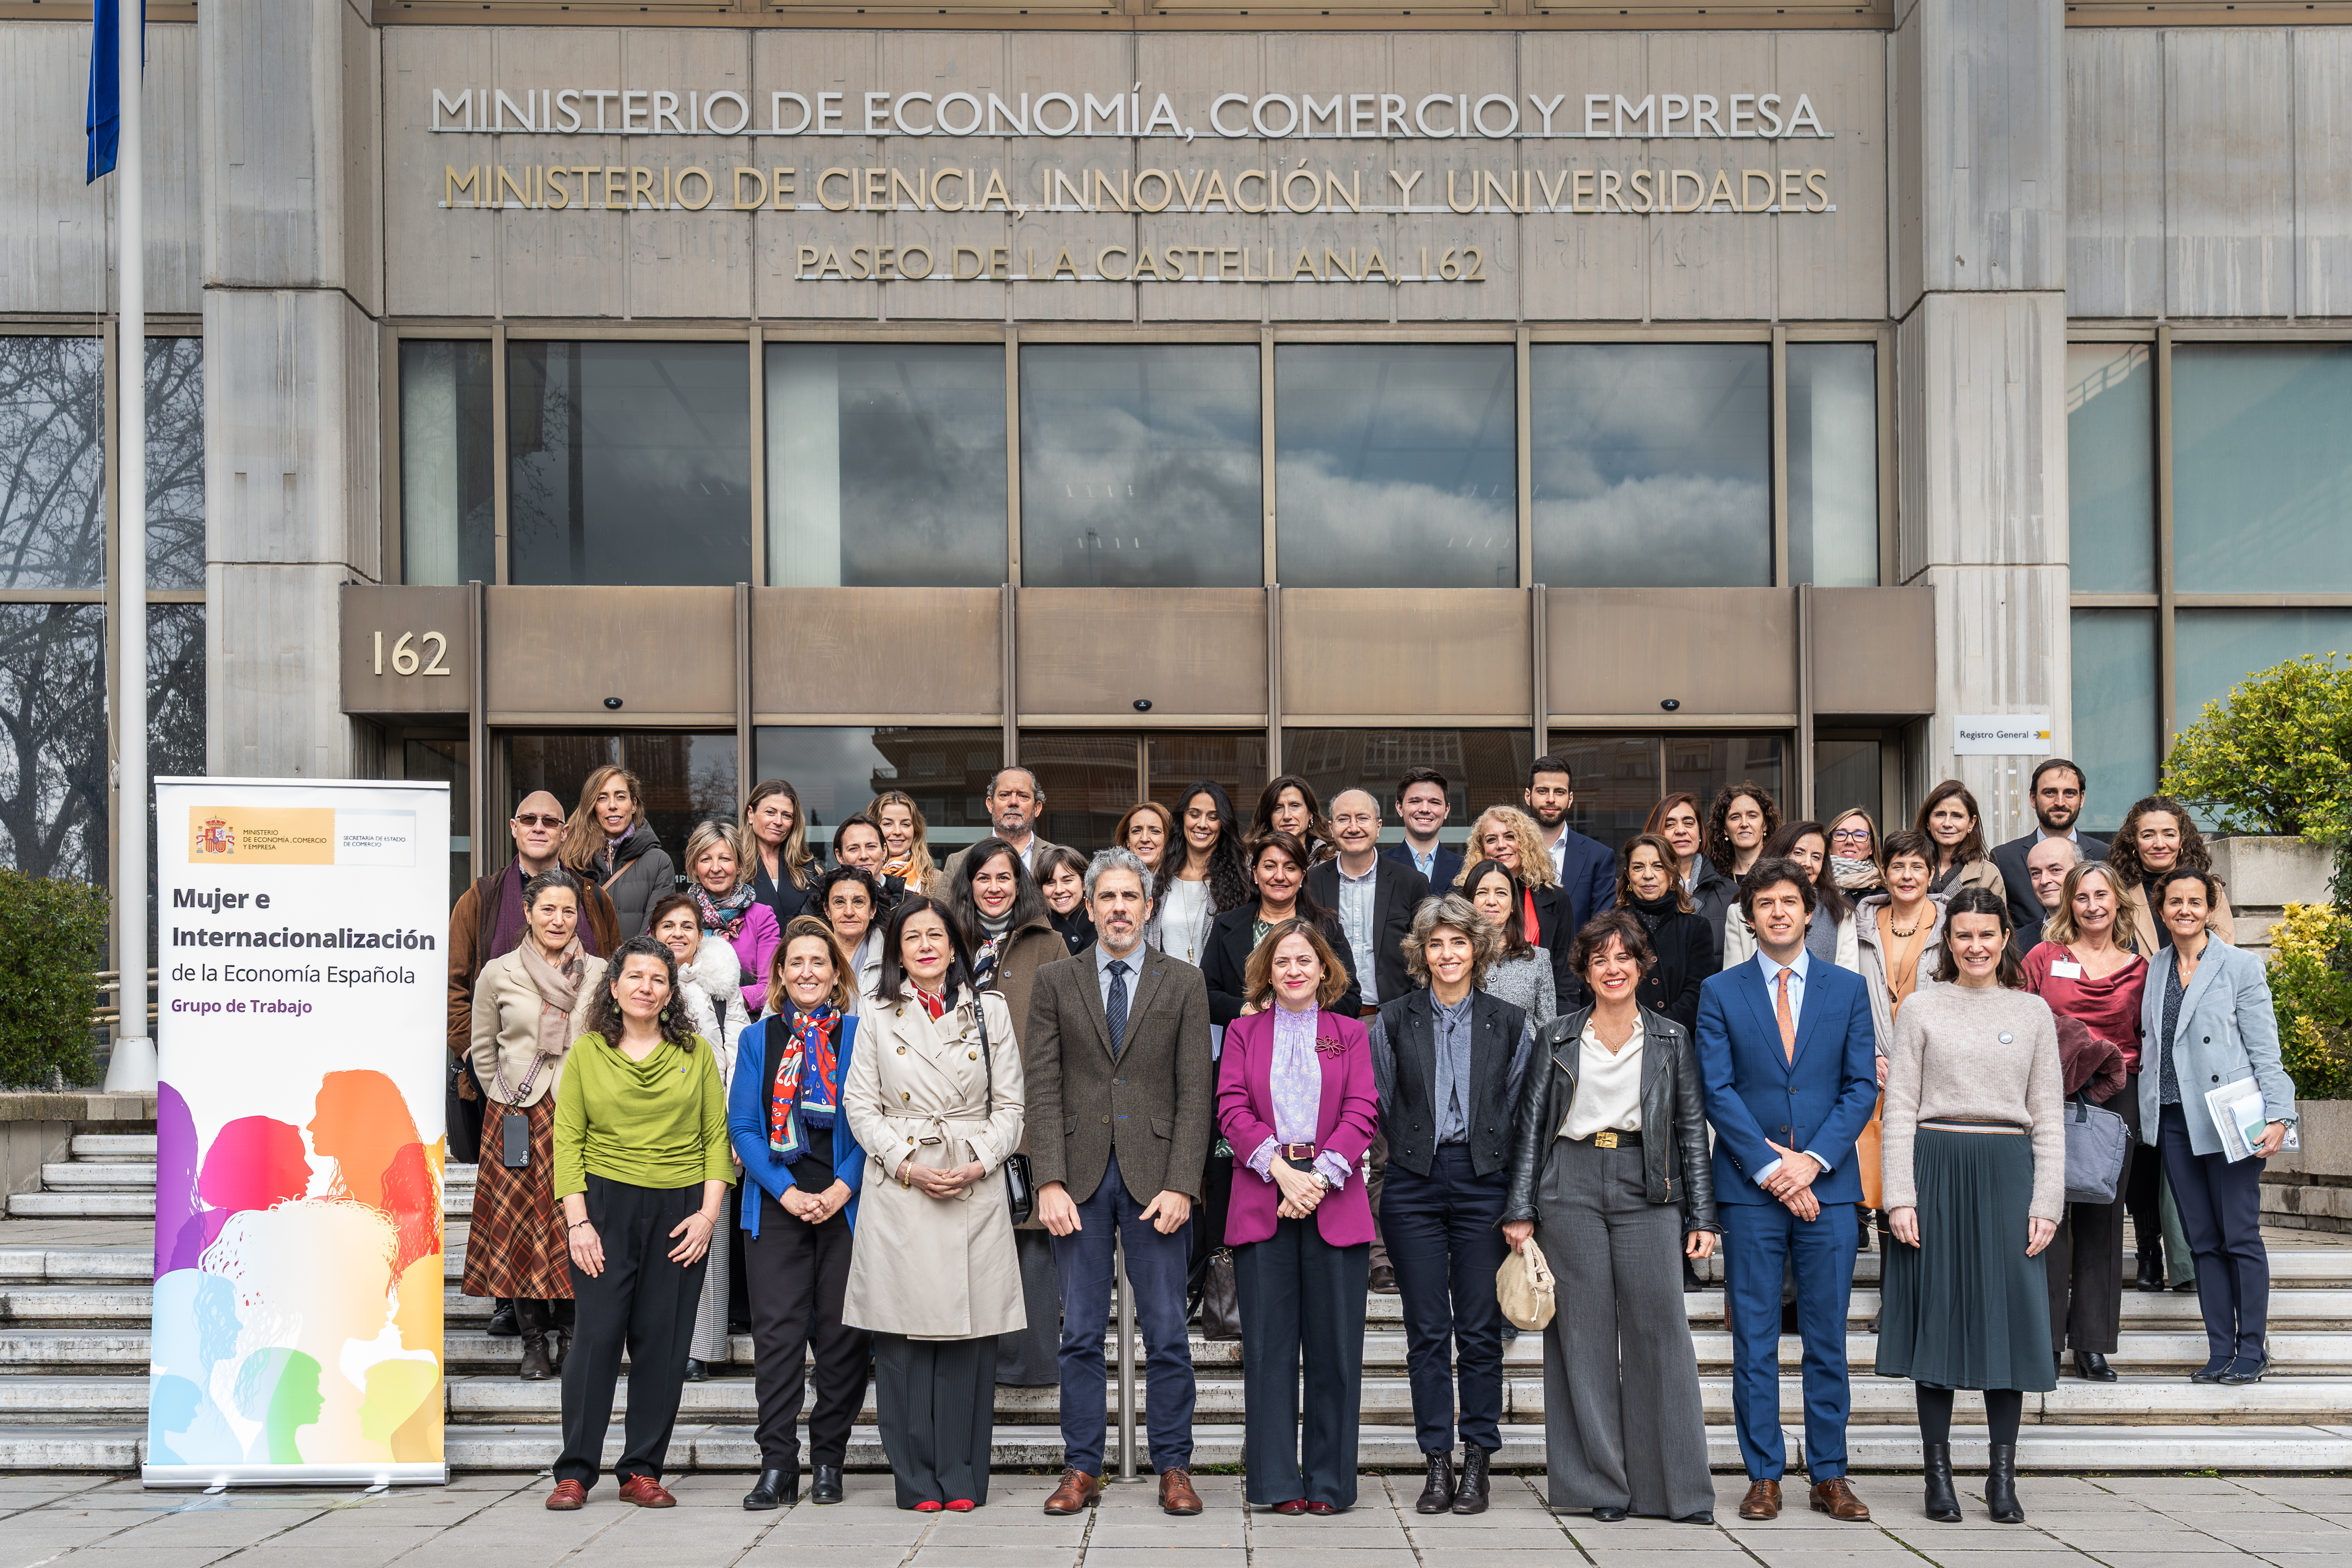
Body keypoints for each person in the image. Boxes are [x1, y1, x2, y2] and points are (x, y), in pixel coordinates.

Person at [1502, 909, 1718, 1525]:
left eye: (1624, 957)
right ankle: (1600, 1485)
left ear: (1641, 964)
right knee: (1582, 1338)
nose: (1613, 968)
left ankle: (1678, 1493)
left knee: (1661, 1334)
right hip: (1568, 1183)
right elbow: (1531, 1129)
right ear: (1585, 970)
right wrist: (1520, 1208)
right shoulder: (1559, 1036)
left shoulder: (1673, 1037)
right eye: (1600, 959)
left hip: (1647, 1186)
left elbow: (1690, 1133)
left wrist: (1701, 1213)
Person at [1020, 847, 1216, 1517]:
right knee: (1078, 1332)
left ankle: (1174, 1466)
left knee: (1166, 1331)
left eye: (1129, 897)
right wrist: (1045, 1177)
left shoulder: (1183, 982)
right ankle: (1081, 1466)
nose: (1118, 908)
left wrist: (1183, 1183)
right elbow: (1041, 1086)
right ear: (1089, 903)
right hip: (1075, 1179)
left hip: (1156, 1179)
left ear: (1148, 905)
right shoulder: (1055, 980)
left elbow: (1197, 1092)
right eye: (1106, 897)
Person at [1694, 856, 1880, 1524]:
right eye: (1764, 903)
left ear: (1809, 911)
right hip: (1750, 1192)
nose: (1777, 911)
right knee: (1756, 1338)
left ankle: (1829, 1474)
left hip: (1827, 1191)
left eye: (1788, 901)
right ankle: (1763, 1473)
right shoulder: (1720, 991)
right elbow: (1715, 1089)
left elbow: (1862, 1085)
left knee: (1827, 1337)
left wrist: (1815, 1162)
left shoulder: (1845, 990)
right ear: (1749, 916)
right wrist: (1773, 1170)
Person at [1879, 885, 2064, 1526]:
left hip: (2009, 1170)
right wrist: (1897, 1195)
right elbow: (1898, 1104)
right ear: (1947, 941)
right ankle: (1938, 1475)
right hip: (1935, 1165)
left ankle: (2001, 1476)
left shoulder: (2033, 1011)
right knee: (1938, 1317)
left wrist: (2047, 1200)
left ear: (2003, 938)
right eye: (1963, 935)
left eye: (1987, 934)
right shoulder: (1921, 1008)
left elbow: (2048, 1116)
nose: (1976, 946)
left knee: (2007, 1322)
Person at [840, 897, 1026, 1512]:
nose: (924, 945)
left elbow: (1013, 1109)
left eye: (935, 935)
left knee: (969, 1344)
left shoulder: (989, 1010)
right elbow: (860, 1107)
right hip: (902, 1187)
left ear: (955, 945)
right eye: (911, 936)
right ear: (896, 951)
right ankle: (916, 1480)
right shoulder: (875, 1012)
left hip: (973, 1178)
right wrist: (906, 1164)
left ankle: (964, 1476)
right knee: (903, 1343)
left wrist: (979, 1160)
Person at [545, 937, 735, 1512]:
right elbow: (567, 1142)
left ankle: (641, 1470)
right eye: (635, 976)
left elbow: (714, 1141)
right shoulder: (587, 1054)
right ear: (615, 985)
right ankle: (576, 1470)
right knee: (597, 1339)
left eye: (657, 978)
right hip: (604, 1210)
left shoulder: (695, 1053)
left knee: (664, 1343)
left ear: (669, 989)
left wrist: (707, 1214)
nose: (646, 987)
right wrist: (578, 1223)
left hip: (680, 1212)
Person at [1369, 893, 1536, 1517]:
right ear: (1421, 952)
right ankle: (1435, 1461)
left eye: (1458, 943)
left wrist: (1520, 1202)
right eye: (1436, 943)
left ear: (1478, 950)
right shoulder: (1391, 1019)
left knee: (1479, 1330)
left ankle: (1476, 1461)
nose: (1447, 954)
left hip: (1483, 1180)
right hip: (1413, 1181)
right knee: (1426, 1331)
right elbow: (1382, 1098)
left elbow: (1523, 1114)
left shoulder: (1510, 1022)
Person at [1216, 919, 1378, 1516]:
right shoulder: (1243, 1031)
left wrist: (1316, 1178)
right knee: (1269, 1351)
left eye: (1304, 961)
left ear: (1323, 970)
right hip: (1264, 1198)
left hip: (1333, 1197)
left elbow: (1363, 1107)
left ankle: (1331, 1484)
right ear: (1267, 970)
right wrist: (1280, 1172)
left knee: (1336, 1351)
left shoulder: (1347, 1033)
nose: (1293, 970)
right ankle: (1277, 1483)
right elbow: (1230, 1105)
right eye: (1282, 961)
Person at [730, 917, 869, 1510]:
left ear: (837, 974)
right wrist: (786, 1191)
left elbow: (876, 1121)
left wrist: (842, 1187)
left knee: (842, 1341)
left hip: (845, 1210)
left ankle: (830, 1461)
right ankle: (778, 1465)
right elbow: (742, 1128)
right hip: (777, 1208)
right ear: (780, 975)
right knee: (779, 1341)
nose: (808, 972)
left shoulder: (862, 1036)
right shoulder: (757, 1040)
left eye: (820, 962)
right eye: (797, 963)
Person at [2141, 866, 2296, 1385]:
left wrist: (2279, 1113)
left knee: (2240, 1236)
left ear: (2210, 909)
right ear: (2161, 911)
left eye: (2195, 902)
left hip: (2230, 1119)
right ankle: (2219, 1351)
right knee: (2202, 1239)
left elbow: (2264, 1048)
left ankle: (2252, 1351)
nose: (2184, 910)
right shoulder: (2155, 967)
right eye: (2174, 902)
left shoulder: (2239, 967)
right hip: (2174, 1119)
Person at [940, 837, 1070, 1390]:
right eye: (984, 878)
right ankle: (968, 1366)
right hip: (956, 1111)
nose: (994, 888)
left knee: (1029, 1238)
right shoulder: (944, 941)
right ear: (968, 886)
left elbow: (1072, 1032)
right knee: (961, 1236)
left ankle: (1030, 1366)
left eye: (1005, 878)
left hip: (1028, 1107)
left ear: (1020, 887)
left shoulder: (1051, 945)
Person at [467, 868, 604, 1381]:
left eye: (568, 910)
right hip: (516, 1114)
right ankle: (532, 1342)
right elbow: (483, 1048)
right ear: (527, 913)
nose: (558, 919)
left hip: (578, 1115)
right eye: (547, 908)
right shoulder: (499, 973)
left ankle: (571, 1334)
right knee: (518, 1229)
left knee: (573, 1223)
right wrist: (504, 1094)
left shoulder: (600, 973)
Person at [449, 792, 622, 1174]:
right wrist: (474, 1057)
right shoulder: (480, 897)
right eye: (529, 820)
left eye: (549, 821)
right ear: (514, 828)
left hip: (583, 1087)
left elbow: (616, 983)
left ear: (565, 833)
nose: (539, 827)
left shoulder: (594, 898)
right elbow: (453, 985)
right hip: (505, 1083)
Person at [2024, 858, 2153, 1313]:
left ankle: (2093, 1342)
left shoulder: (2141, 970)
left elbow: (2147, 1035)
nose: (2092, 906)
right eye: (2081, 897)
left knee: (2104, 1214)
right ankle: (2048, 1335)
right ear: (2068, 903)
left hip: (2119, 1096)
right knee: (2048, 1210)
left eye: (2101, 895)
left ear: (2117, 900)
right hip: (2051, 1092)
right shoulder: (2044, 957)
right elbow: (2023, 1021)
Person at [648, 890, 753, 1379]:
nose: (677, 935)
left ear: (701, 934)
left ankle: (701, 1347)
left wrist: (734, 1126)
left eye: (687, 926)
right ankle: (660, 1340)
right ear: (653, 934)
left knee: (708, 1237)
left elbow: (739, 1053)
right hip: (654, 1131)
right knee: (659, 1238)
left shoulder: (720, 986)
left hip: (711, 1128)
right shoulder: (642, 984)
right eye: (668, 926)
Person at [1851, 831, 1946, 1252]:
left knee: (1926, 1188)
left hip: (1935, 1070)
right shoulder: (1856, 926)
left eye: (1917, 867)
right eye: (1897, 866)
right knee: (1880, 1184)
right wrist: (1866, 1054)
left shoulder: (1952, 925)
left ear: (1931, 873)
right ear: (1883, 872)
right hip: (1873, 1069)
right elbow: (1845, 998)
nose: (1907, 876)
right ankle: (1894, 1300)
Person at [1203, 831, 1362, 1026]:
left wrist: (1305, 1013)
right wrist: (1245, 1009)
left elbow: (1351, 998)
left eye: (1290, 868)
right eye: (1270, 866)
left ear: (1303, 876)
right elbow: (1206, 995)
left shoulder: (1326, 925)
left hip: (1313, 1045)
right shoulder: (1225, 925)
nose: (1279, 876)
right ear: (1255, 873)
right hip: (1246, 1045)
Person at [1309, 788, 1430, 1019]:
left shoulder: (1411, 883)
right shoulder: (1311, 883)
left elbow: (1424, 956)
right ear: (1331, 828)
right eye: (1344, 819)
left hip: (1394, 1018)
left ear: (1379, 827)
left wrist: (1411, 1015)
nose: (1353, 828)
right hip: (1326, 1017)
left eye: (1363, 818)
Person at [1455, 806, 1576, 1005]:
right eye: (1491, 839)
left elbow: (1564, 977)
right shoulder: (1463, 898)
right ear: (1481, 849)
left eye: (1510, 836)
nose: (1501, 845)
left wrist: (1563, 1032)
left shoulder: (1556, 899)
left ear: (1526, 843)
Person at [1991, 759, 2112, 932]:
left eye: (2070, 793)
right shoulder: (2004, 858)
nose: (2060, 802)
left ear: (2082, 799)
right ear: (2033, 798)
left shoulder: (2106, 855)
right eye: (2050, 793)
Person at [1724, 821, 1861, 973]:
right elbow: (1734, 980)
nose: (1807, 863)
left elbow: (1846, 984)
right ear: (1780, 853)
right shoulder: (1740, 912)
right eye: (1798, 853)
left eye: (1816, 857)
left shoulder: (1843, 915)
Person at [2110, 795, 2238, 954]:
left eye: (2169, 835)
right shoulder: (2116, 891)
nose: (2159, 844)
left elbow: (2223, 950)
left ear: (2182, 841)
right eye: (2148, 835)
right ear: (2134, 842)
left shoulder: (2209, 889)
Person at [561, 765, 676, 939]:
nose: (612, 806)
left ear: (634, 805)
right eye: (602, 798)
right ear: (593, 806)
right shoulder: (572, 859)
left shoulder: (660, 863)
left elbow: (655, 933)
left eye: (621, 797)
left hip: (637, 965)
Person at [1614, 834, 1712, 1037]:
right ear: (1628, 875)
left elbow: (1697, 993)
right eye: (1638, 867)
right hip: (1624, 1040)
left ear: (1672, 873)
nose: (1648, 875)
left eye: (1658, 866)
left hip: (1681, 1042)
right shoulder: (1610, 927)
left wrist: (1660, 1031)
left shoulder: (1697, 928)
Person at [683, 820, 782, 1018]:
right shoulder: (677, 915)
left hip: (741, 1025)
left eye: (725, 859)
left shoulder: (762, 917)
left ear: (738, 866)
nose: (716, 868)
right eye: (705, 859)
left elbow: (771, 988)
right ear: (694, 868)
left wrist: (721, 1000)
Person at [1160, 781, 1253, 972]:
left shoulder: (1244, 879)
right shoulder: (1159, 880)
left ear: (1223, 824)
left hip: (1217, 994)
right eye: (1194, 815)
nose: (1202, 824)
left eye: (1213, 817)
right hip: (1166, 993)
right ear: (1182, 819)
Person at [1524, 754, 1618, 932]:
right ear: (1528, 796)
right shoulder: (1510, 851)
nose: (1551, 799)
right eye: (1543, 791)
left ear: (1571, 798)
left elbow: (1602, 928)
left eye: (1559, 792)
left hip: (1575, 959)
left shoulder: (1599, 857)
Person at [1466, 858, 1559, 1029]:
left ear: (1513, 904)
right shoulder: (1454, 957)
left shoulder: (1539, 960)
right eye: (1482, 893)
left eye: (1501, 893)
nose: (1492, 901)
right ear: (1469, 900)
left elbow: (1548, 1032)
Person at [1647, 792, 1736, 969]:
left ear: (1700, 833)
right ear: (1657, 834)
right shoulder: (1642, 893)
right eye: (1670, 825)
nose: (1681, 831)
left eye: (1689, 823)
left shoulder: (1731, 893)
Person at [942, 767, 1059, 882]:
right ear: (990, 805)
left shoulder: (1061, 861)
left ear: (1037, 808)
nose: (1013, 802)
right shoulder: (958, 864)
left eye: (1023, 796)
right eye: (1005, 795)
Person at [1913, 780, 2006, 900]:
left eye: (1957, 816)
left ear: (1971, 824)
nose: (1947, 824)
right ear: (1928, 822)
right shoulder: (1907, 869)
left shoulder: (1988, 874)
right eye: (1940, 815)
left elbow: (1996, 919)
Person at [742, 779, 815, 926]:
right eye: (770, 812)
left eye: (787, 815)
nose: (778, 821)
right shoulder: (732, 865)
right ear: (751, 814)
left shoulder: (810, 871)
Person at [813, 864, 887, 1000]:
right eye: (840, 902)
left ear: (873, 909)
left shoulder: (891, 956)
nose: (849, 912)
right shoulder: (807, 951)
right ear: (827, 910)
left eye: (858, 902)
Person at [1385, 764, 1463, 889]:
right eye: (1415, 801)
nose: (1425, 809)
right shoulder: (1380, 865)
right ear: (1400, 808)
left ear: (1447, 811)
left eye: (1434, 802)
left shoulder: (1465, 867)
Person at [1705, 781, 1782, 889]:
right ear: (1725, 829)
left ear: (1765, 825)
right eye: (1735, 817)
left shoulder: (1783, 872)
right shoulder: (1713, 879)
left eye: (1752, 816)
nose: (1744, 824)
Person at [868, 789, 940, 897]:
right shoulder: (858, 875)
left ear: (915, 830)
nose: (897, 831)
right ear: (872, 829)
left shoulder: (937, 880)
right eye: (888, 824)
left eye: (905, 824)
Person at [2016, 837, 2079, 955]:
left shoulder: (2106, 934)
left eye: (2055, 870)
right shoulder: (2018, 943)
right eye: (2036, 873)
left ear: (2079, 871)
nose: (2044, 881)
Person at [831, 811, 908, 906]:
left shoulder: (907, 901)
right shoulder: (821, 900)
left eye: (871, 847)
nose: (864, 856)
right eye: (853, 849)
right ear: (839, 856)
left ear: (884, 851)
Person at [1256, 773, 1337, 863]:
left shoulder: (1335, 861)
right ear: (1269, 816)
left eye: (1295, 806)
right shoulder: (1250, 861)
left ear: (1310, 813)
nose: (1287, 816)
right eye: (1278, 808)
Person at [1036, 845, 1095, 955]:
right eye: (1050, 883)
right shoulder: (1034, 929)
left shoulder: (1101, 924)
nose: (1059, 890)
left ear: (1084, 883)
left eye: (1067, 880)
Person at [1826, 809, 1886, 908]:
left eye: (1859, 835)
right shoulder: (1813, 887)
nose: (1849, 841)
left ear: (1871, 848)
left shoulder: (1882, 898)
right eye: (1841, 834)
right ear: (1829, 846)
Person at [1115, 800, 1174, 897]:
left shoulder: (1181, 883)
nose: (1145, 839)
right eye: (1136, 831)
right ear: (1128, 841)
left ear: (1168, 839)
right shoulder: (1114, 881)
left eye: (1155, 831)